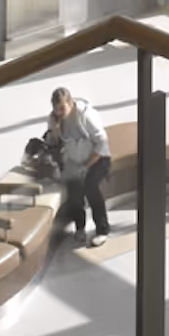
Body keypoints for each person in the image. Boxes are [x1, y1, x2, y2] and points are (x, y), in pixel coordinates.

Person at [47, 86, 111, 248]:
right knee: (74, 192)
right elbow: (52, 144)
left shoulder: (85, 116)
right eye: (56, 109)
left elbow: (102, 141)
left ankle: (102, 230)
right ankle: (80, 227)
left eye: (62, 108)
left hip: (97, 159)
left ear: (71, 102)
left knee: (90, 187)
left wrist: (87, 165)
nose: (60, 112)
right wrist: (55, 129)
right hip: (74, 162)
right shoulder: (55, 119)